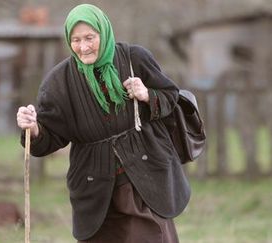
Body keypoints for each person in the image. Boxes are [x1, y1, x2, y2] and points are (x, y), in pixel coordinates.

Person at [16, 4, 190, 243]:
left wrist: (147, 94)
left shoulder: (134, 58)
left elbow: (171, 95)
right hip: (94, 188)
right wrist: (33, 127)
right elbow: (48, 138)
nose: (83, 47)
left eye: (90, 37)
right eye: (75, 40)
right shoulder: (59, 82)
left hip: (143, 179)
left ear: (104, 33)